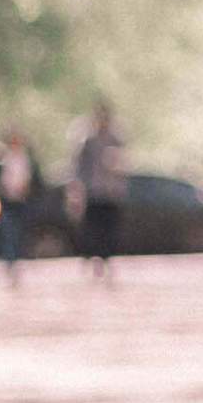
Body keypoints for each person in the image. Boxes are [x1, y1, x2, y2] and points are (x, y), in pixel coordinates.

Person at [71, 104, 128, 278]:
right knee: (92, 229)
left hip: (111, 193)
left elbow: (124, 164)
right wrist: (77, 190)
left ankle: (107, 260)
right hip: (94, 192)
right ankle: (93, 260)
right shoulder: (89, 141)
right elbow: (80, 167)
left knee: (110, 230)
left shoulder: (116, 139)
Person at [0, 128, 37, 277]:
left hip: (21, 201)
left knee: (19, 232)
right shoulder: (3, 160)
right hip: (7, 201)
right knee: (8, 231)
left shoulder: (25, 160)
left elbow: (34, 180)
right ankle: (9, 261)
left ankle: (16, 259)